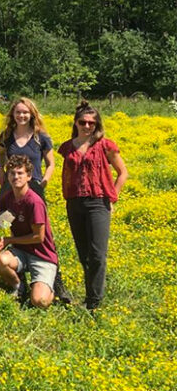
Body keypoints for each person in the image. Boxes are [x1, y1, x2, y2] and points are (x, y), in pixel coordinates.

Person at [0, 97, 72, 303]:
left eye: (25, 112)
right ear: (13, 114)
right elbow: (1, 155)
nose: (22, 116)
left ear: (32, 114)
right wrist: (0, 172)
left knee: (43, 232)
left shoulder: (41, 137)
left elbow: (51, 162)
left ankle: (56, 280)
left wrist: (45, 180)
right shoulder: (6, 136)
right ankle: (18, 276)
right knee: (9, 224)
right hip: (10, 187)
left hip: (35, 187)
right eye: (18, 112)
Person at [58, 101, 127, 311]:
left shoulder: (105, 145)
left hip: (98, 203)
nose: (87, 126)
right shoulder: (67, 147)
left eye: (91, 123)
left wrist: (112, 198)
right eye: (83, 122)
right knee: (84, 254)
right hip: (74, 203)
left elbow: (123, 173)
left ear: (97, 125)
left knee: (98, 254)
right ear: (76, 123)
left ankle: (94, 302)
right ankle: (90, 296)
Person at [0, 155, 59, 309]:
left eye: (20, 173)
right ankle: (19, 286)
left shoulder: (34, 202)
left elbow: (38, 237)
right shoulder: (7, 198)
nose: (16, 177)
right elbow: (4, 223)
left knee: (39, 302)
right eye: (12, 173)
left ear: (29, 176)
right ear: (8, 176)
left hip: (42, 255)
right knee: (0, 261)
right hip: (21, 252)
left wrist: (9, 240)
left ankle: (50, 286)